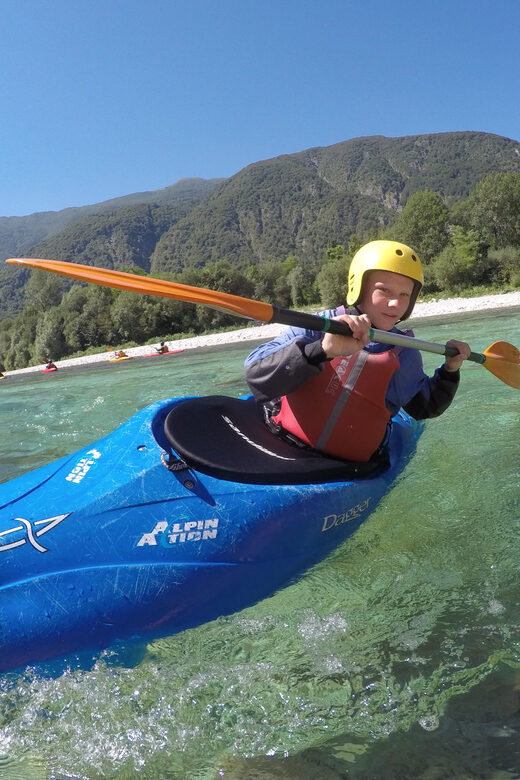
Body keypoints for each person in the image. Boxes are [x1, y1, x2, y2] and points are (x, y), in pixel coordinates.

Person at [244, 240, 471, 463]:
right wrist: (321, 350)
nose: (395, 303)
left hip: (352, 468)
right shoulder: (319, 326)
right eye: (384, 290)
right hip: (283, 440)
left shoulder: (404, 353)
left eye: (404, 295)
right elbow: (256, 376)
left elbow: (425, 407)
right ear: (359, 288)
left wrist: (451, 370)